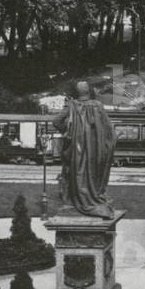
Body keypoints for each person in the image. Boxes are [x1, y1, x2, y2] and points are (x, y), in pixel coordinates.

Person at [53, 80, 117, 218]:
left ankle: (78, 198)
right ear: (89, 91)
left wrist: (67, 133)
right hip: (95, 150)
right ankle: (94, 197)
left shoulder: (71, 106)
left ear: (77, 92)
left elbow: (56, 121)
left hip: (77, 150)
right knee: (93, 173)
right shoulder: (98, 106)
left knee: (77, 174)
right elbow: (108, 130)